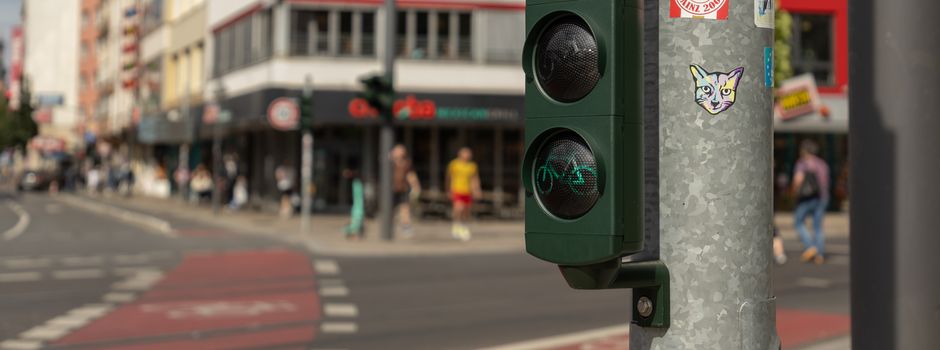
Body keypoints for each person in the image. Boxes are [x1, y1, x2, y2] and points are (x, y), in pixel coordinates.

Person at [791, 139, 830, 265]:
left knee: (798, 222)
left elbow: (798, 180)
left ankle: (810, 246)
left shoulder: (803, 163)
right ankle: (820, 254)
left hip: (806, 198)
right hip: (821, 198)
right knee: (818, 227)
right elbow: (825, 182)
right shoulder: (822, 164)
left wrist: (794, 192)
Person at [446, 147, 481, 241]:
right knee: (458, 208)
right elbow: (449, 177)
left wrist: (477, 190)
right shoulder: (454, 164)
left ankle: (463, 225)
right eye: (465, 153)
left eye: (469, 154)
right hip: (457, 189)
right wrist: (448, 190)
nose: (467, 155)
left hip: (467, 191)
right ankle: (456, 225)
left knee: (466, 211)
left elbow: (474, 179)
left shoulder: (472, 166)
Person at [391, 145, 421, 237]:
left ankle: (406, 227)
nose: (400, 153)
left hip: (403, 188)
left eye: (401, 151)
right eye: (398, 151)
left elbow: (411, 175)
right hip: (391, 189)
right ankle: (389, 225)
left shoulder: (406, 163)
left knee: (405, 208)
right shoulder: (389, 162)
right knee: (389, 208)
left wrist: (416, 186)